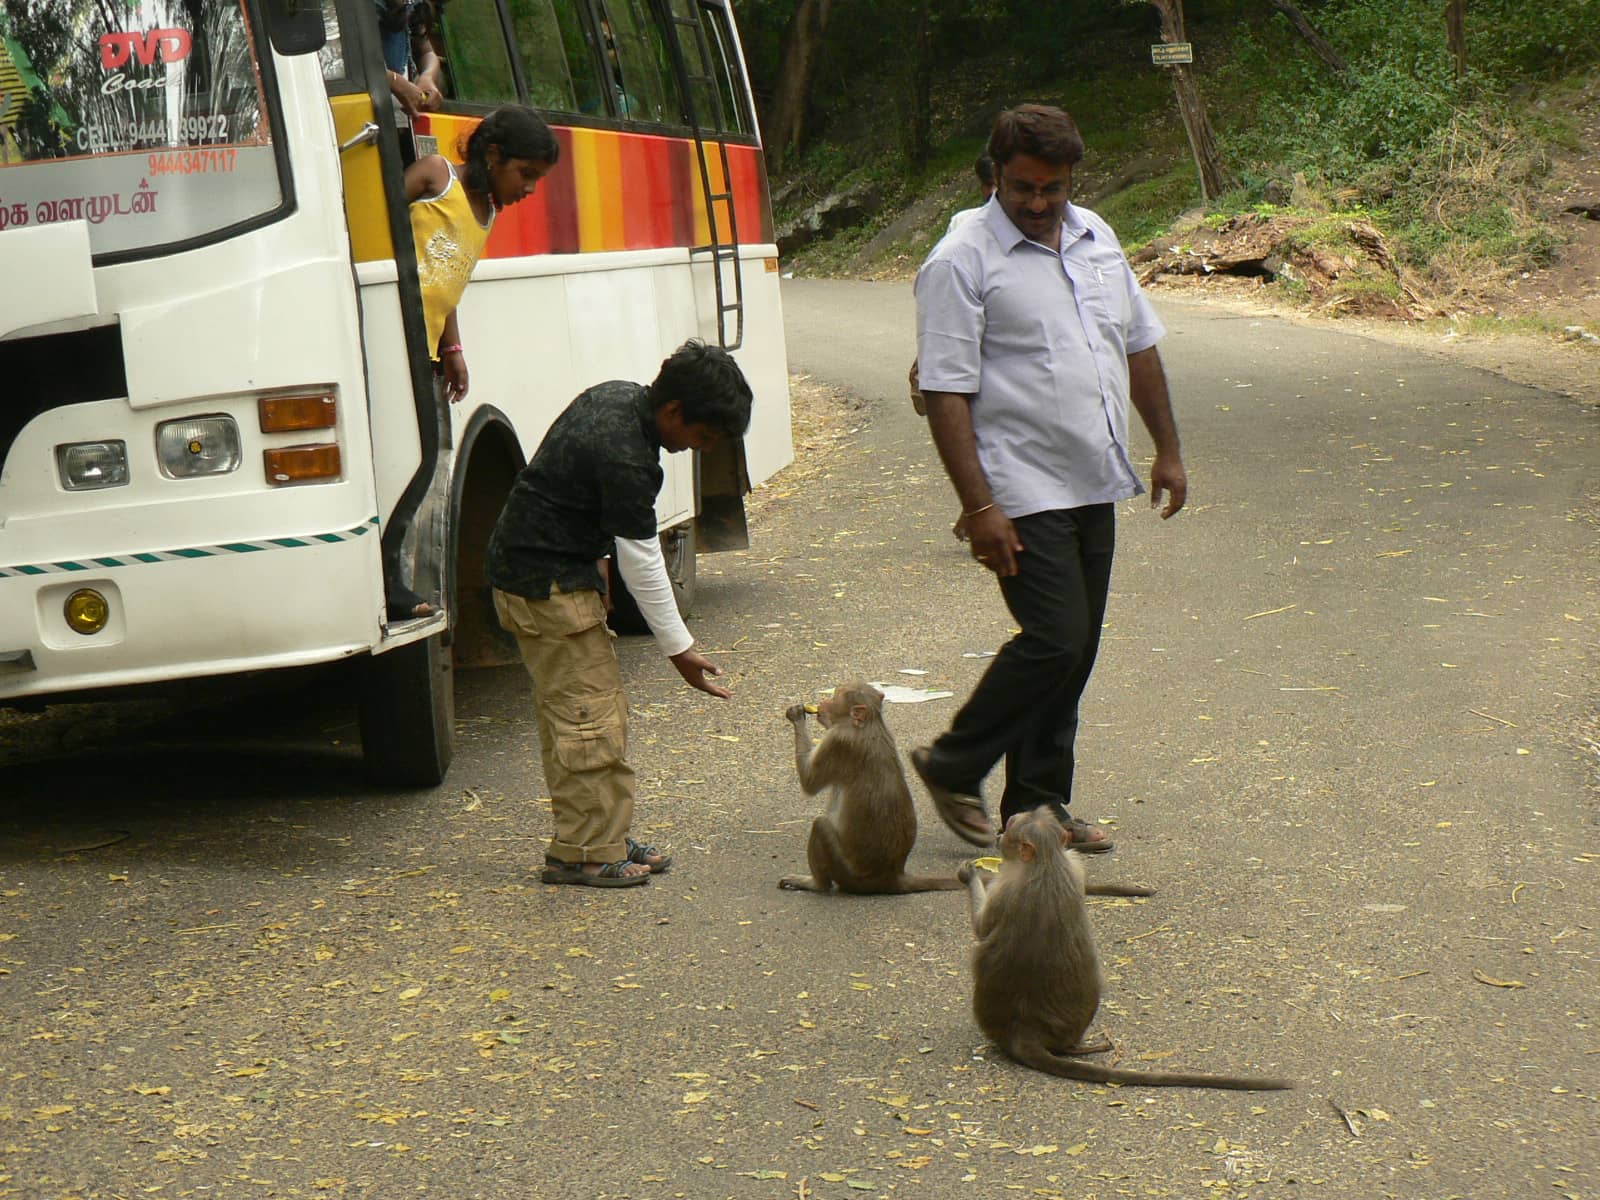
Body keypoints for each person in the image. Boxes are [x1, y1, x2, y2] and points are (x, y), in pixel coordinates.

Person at [909, 104, 1187, 853]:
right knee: (1056, 640)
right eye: (1022, 188)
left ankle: (1036, 809)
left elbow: (1138, 346)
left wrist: (1167, 447)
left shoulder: (1097, 237)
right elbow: (944, 389)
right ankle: (953, 761)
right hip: (1018, 486)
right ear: (995, 174)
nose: (1037, 204)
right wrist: (980, 506)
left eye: (1052, 189)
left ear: (1072, 179)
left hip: (1094, 474)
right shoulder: (960, 259)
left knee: (1077, 651)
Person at [485, 340, 754, 887]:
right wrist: (679, 650)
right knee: (590, 720)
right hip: (548, 586)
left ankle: (596, 832)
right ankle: (586, 852)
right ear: (674, 412)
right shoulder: (628, 454)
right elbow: (643, 560)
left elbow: (578, 495)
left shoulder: (620, 400)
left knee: (575, 715)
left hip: (541, 573)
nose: (698, 450)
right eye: (701, 437)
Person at [385, 105, 559, 621]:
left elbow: (449, 281)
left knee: (430, 463)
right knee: (406, 465)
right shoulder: (436, 177)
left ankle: (405, 579)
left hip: (427, 352)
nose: (528, 189)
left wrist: (453, 348)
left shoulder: (489, 212)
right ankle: (388, 581)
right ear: (492, 154)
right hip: (391, 340)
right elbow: (374, 225)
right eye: (525, 174)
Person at [377, 0, 445, 116]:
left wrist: (428, 77)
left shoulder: (412, 7)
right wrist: (395, 82)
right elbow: (352, 64)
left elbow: (426, 52)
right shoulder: (361, 8)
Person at [943, 153, 997, 237]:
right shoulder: (960, 222)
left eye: (998, 185)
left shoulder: (1021, 226)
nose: (992, 191)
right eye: (988, 185)